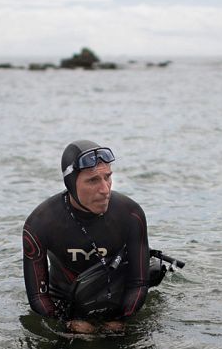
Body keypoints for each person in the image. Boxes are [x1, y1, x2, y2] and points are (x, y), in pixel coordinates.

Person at [22, 140, 150, 334]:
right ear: (71, 183)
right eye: (93, 180)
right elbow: (38, 297)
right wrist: (64, 322)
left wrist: (120, 319)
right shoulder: (42, 222)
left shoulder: (130, 214)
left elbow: (139, 283)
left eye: (107, 177)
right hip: (65, 301)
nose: (105, 189)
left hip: (117, 298)